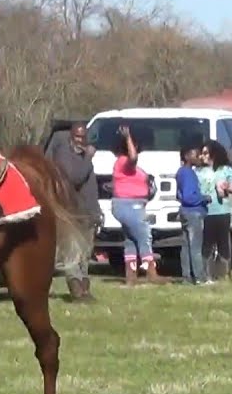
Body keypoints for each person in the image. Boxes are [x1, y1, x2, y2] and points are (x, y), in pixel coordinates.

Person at [49, 122, 102, 302]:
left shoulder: (82, 156)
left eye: (83, 137)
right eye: (77, 137)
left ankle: (85, 289)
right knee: (72, 254)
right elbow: (74, 177)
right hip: (72, 212)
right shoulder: (64, 154)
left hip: (88, 212)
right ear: (71, 137)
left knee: (85, 254)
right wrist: (88, 158)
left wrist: (97, 211)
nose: (80, 141)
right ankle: (76, 290)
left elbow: (90, 187)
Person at [109, 125, 167, 286]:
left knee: (131, 239)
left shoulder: (126, 166)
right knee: (144, 235)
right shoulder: (123, 161)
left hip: (132, 205)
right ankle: (151, 273)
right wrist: (128, 138)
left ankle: (131, 275)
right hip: (128, 205)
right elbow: (133, 158)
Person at [197, 140, 232, 281]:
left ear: (214, 154)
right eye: (201, 153)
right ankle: (207, 275)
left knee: (223, 243)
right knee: (206, 244)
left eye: (205, 153)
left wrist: (225, 187)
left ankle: (224, 274)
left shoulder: (225, 169)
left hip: (222, 212)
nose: (202, 156)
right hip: (205, 212)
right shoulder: (198, 171)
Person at [175, 145, 209, 284]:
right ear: (187, 156)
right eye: (195, 154)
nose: (199, 157)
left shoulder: (181, 172)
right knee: (196, 246)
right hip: (193, 212)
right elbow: (188, 197)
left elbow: (179, 195)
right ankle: (200, 277)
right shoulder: (188, 173)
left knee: (186, 246)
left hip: (185, 212)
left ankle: (187, 277)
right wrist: (203, 198)